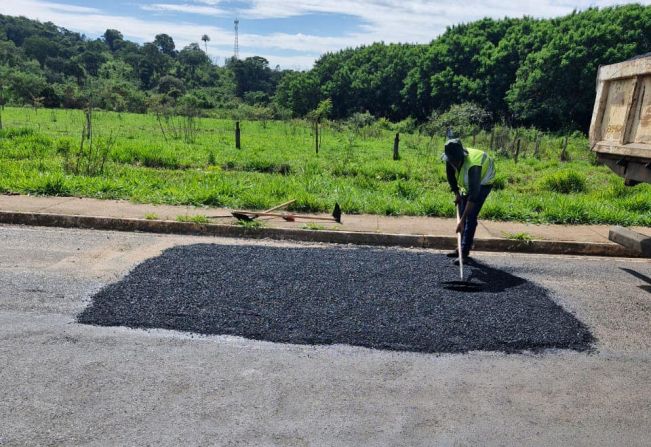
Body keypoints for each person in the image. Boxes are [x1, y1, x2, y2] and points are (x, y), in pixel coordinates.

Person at [443, 138, 496, 263]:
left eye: (455, 161)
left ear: (461, 156)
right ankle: (460, 248)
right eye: (451, 160)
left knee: (470, 216)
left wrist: (461, 221)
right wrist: (457, 194)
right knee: (462, 211)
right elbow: (451, 177)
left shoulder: (473, 166)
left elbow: (473, 196)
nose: (453, 163)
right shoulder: (449, 159)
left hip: (483, 182)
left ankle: (464, 252)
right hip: (469, 184)